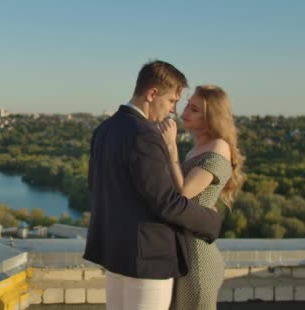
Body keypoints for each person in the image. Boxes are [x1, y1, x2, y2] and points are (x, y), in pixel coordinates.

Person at [83, 60, 223, 310]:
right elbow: (166, 202)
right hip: (148, 258)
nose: (172, 111)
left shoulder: (104, 130)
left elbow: (97, 189)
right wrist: (211, 221)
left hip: (114, 252)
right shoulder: (145, 135)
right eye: (171, 101)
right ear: (152, 94)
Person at [159, 85, 245, 310]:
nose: (185, 111)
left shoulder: (218, 147)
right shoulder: (197, 149)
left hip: (198, 260)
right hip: (185, 254)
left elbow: (184, 193)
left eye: (194, 109)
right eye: (187, 105)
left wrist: (171, 147)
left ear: (211, 117)